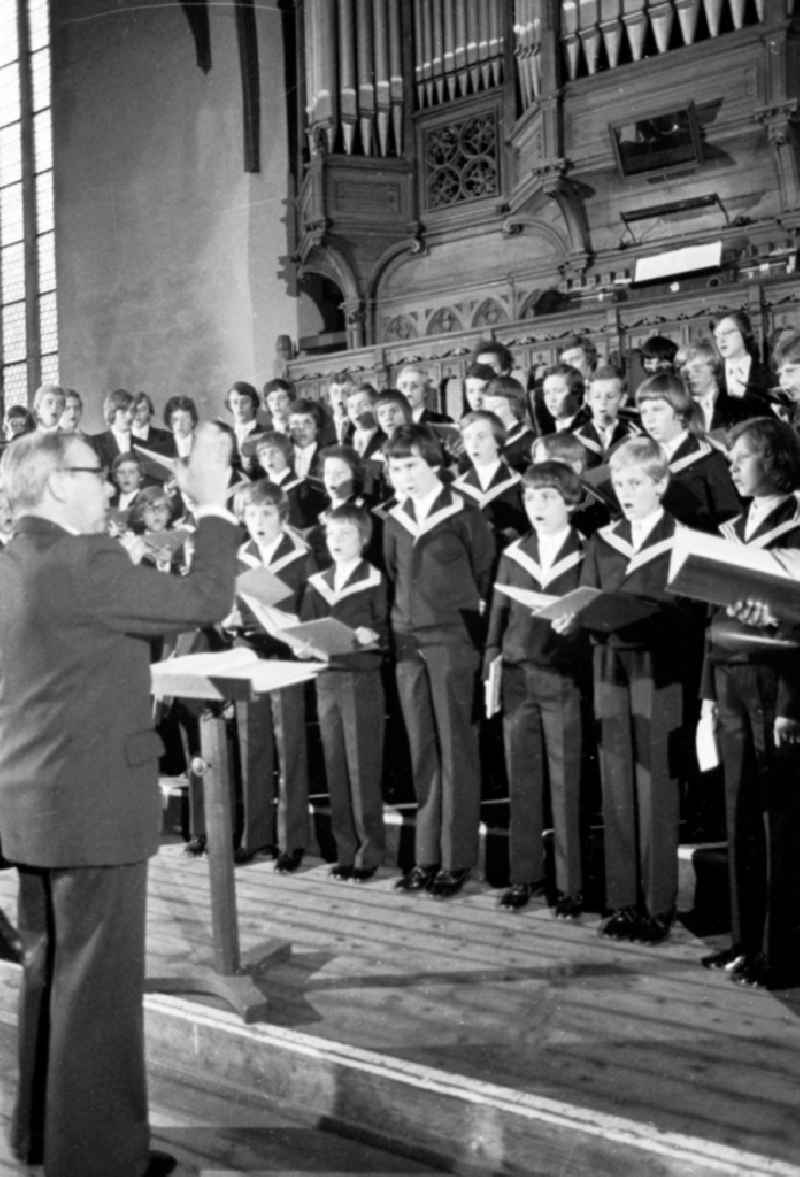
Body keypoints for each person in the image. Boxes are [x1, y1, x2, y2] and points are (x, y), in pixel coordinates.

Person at [0, 424, 239, 1177]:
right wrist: (211, 504)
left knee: (50, 971)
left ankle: (39, 1135)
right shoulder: (85, 559)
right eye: (95, 471)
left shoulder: (13, 559)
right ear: (56, 482)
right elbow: (207, 594)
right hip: (93, 801)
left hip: (31, 800)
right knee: (96, 990)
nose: (109, 483)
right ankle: (98, 1161)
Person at [561, 436, 704, 943]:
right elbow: (585, 598)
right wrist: (569, 619)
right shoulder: (603, 540)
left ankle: (657, 906)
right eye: (619, 483)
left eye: (636, 483)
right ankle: (622, 903)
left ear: (660, 484)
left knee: (656, 788)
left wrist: (652, 614)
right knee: (616, 786)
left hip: (658, 673)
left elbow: (691, 616)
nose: (626, 492)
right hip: (608, 669)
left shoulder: (683, 540)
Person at [699, 418, 800, 989]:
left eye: (743, 457)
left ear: (777, 461)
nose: (732, 466)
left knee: (779, 823)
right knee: (738, 814)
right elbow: (711, 618)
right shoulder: (732, 528)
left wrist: (793, 703)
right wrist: (708, 693)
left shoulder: (797, 524)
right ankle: (743, 941)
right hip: (732, 683)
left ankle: (779, 952)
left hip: (776, 685)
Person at [383, 425, 495, 898]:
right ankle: (426, 856)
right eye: (394, 467)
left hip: (454, 644)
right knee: (423, 753)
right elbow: (392, 576)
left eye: (410, 466)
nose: (402, 476)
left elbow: (486, 576)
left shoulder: (466, 514)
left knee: (457, 752)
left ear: (433, 464)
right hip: (408, 645)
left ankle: (457, 859)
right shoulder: (393, 520)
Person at [485, 461, 590, 914]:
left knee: (565, 782)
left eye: (547, 497)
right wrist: (491, 668)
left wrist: (577, 628)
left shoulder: (587, 554)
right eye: (530, 498)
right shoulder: (513, 555)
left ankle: (569, 886)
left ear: (569, 500)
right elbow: (496, 620)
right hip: (516, 678)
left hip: (563, 678)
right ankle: (523, 876)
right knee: (521, 781)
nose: (537, 506)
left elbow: (593, 616)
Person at [299, 504, 388, 881]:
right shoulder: (318, 582)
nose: (336, 541)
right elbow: (306, 630)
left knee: (361, 768)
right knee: (335, 766)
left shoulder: (375, 579)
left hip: (361, 681)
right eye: (331, 535)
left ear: (363, 540)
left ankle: (370, 853)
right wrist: (301, 645)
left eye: (345, 534)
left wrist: (373, 636)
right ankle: (345, 851)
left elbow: (384, 625)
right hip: (327, 681)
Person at [227, 481, 313, 869]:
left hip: (288, 655)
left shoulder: (301, 557)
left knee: (289, 746)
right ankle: (254, 835)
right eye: (250, 513)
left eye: (266, 513)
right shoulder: (239, 556)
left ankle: (291, 841)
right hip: (249, 652)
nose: (258, 521)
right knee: (252, 745)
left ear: (282, 516)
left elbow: (312, 610)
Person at [635, 371, 741, 533]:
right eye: (644, 412)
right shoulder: (640, 455)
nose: (649, 419)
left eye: (657, 410)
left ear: (679, 412)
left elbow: (730, 518)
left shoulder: (709, 459)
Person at [451, 410, 526, 550]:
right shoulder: (455, 489)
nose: (474, 444)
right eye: (468, 437)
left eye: (481, 437)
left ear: (498, 441)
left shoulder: (520, 485)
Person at [573, 365, 639, 468]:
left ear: (622, 400)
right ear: (588, 399)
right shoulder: (575, 438)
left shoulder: (636, 437)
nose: (603, 403)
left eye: (610, 396)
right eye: (597, 396)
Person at [482, 376, 535, 473]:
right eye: (487, 407)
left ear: (514, 406)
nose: (490, 413)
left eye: (496, 407)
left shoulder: (530, 443)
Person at [91, 388, 137, 467]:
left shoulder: (141, 443)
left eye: (132, 411)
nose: (130, 416)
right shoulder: (96, 442)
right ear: (112, 413)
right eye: (123, 412)